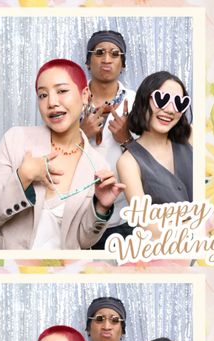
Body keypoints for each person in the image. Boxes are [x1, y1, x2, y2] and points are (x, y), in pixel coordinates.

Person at [0, 59, 124, 250]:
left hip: (58, 273)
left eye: (62, 91)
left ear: (85, 95)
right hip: (5, 270)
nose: (52, 103)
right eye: (42, 95)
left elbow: (82, 240)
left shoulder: (98, 165)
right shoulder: (16, 140)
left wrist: (101, 208)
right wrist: (23, 177)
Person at [116, 71, 193, 236]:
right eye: (162, 99)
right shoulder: (128, 162)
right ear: (144, 100)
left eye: (179, 103)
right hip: (170, 253)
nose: (171, 110)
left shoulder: (192, 138)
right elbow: (148, 226)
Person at [80, 30, 137, 250]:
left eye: (115, 54)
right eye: (99, 52)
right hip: (76, 216)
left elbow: (151, 162)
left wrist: (126, 140)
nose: (106, 59)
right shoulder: (70, 98)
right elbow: (53, 151)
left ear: (122, 63)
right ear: (87, 60)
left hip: (122, 220)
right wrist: (81, 133)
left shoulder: (136, 102)